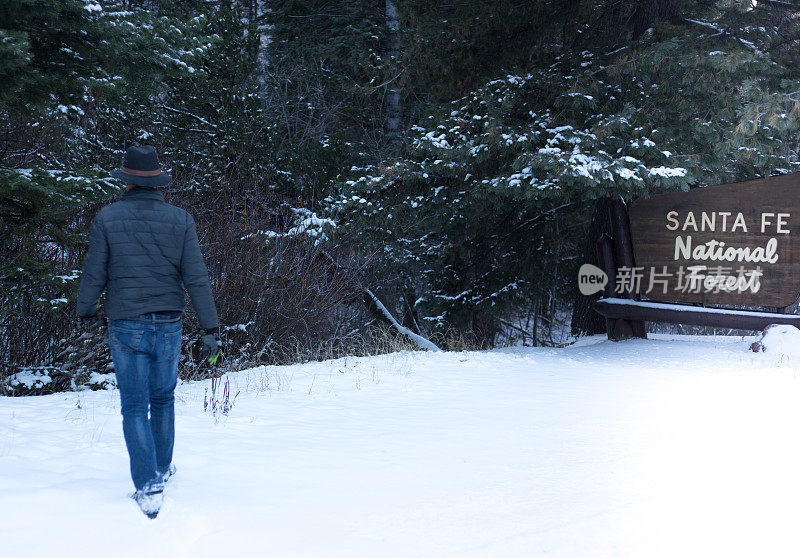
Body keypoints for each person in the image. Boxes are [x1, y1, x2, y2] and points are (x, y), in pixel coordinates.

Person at [76, 145, 222, 519]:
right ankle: (161, 468)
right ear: (159, 182)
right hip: (169, 322)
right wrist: (210, 326)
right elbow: (197, 278)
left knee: (134, 406)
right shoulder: (181, 219)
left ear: (126, 181)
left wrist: (86, 311)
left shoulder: (107, 217)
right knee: (163, 399)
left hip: (126, 323)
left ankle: (149, 486)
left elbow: (95, 272)